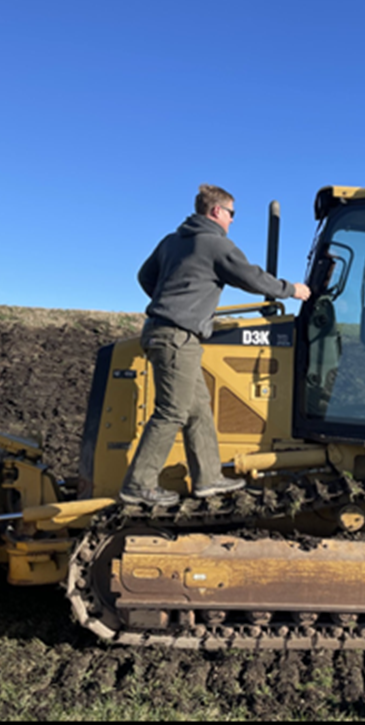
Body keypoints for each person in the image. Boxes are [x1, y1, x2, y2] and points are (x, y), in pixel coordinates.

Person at [119, 184, 312, 506]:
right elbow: (250, 277)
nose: (233, 221)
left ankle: (207, 478)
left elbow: (145, 277)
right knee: (172, 411)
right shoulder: (215, 244)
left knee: (198, 409)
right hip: (177, 337)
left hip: (167, 333)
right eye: (232, 214)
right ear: (216, 211)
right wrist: (291, 290)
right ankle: (138, 484)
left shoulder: (172, 242)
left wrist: (171, 301)